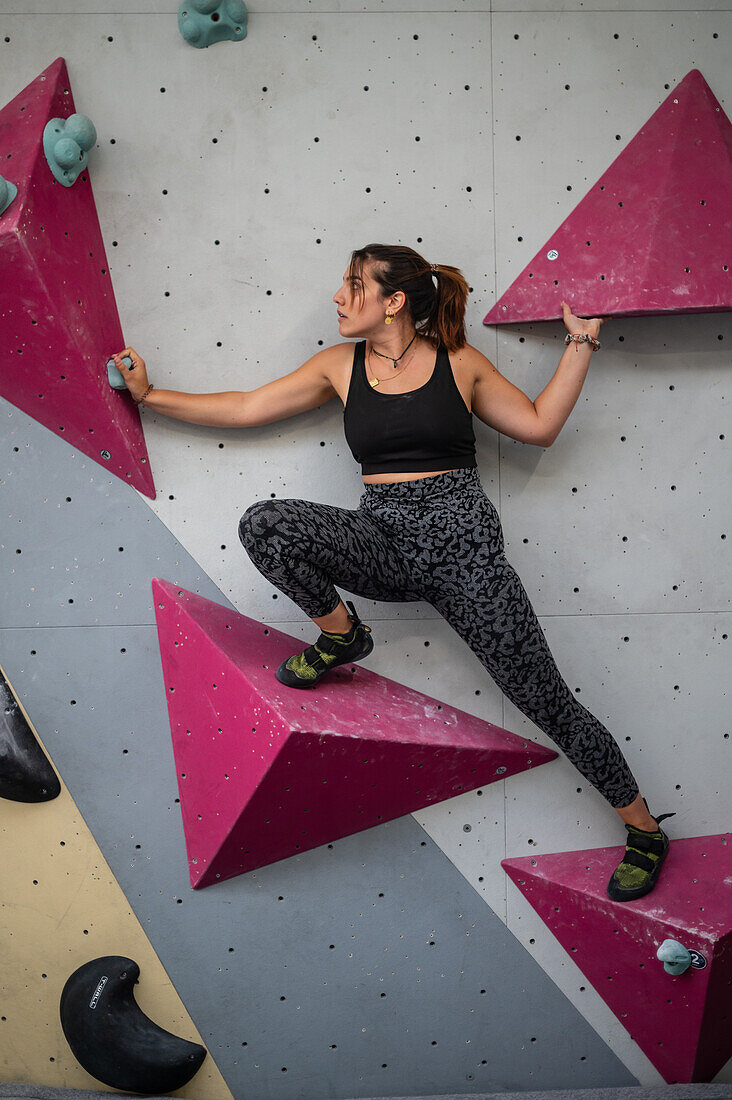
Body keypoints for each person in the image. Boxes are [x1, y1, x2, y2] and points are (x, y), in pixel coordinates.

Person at [112, 242, 674, 902]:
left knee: (547, 701)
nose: (339, 297)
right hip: (382, 537)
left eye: (354, 286)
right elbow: (245, 406)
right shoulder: (338, 366)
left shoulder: (460, 365)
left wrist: (579, 345)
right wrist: (150, 397)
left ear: (394, 300)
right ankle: (342, 635)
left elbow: (541, 425)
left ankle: (643, 831)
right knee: (265, 524)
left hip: (465, 550)